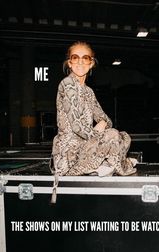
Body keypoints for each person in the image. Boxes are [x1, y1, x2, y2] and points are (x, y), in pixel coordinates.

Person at [51, 41, 137, 177]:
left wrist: (101, 125)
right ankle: (121, 164)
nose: (80, 62)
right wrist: (98, 131)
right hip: (68, 158)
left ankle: (106, 165)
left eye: (85, 58)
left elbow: (106, 120)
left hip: (86, 149)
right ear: (69, 63)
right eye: (75, 57)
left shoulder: (89, 92)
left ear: (91, 63)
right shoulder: (67, 84)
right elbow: (77, 127)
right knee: (114, 135)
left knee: (124, 136)